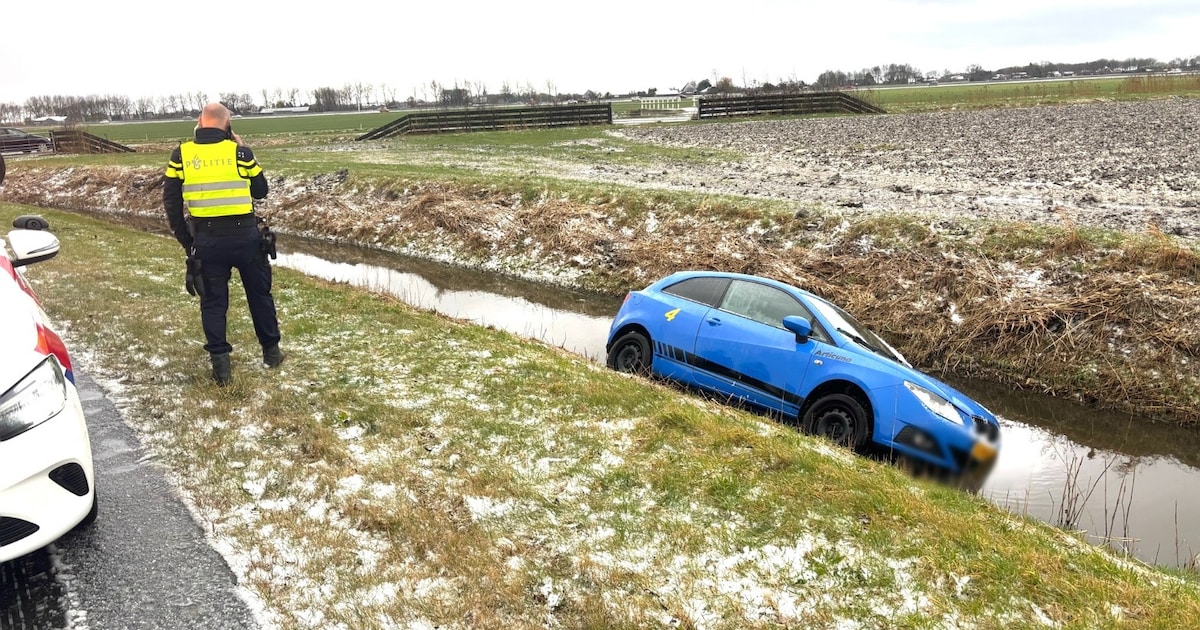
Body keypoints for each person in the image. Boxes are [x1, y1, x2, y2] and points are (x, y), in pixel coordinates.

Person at [163, 102, 284, 385]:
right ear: (228, 124)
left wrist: (186, 240)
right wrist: (243, 150)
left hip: (207, 239)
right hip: (246, 238)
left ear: (199, 122)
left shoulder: (181, 154)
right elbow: (261, 191)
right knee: (260, 296)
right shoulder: (240, 153)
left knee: (213, 302)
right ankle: (271, 353)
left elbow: (171, 201)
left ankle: (222, 369)